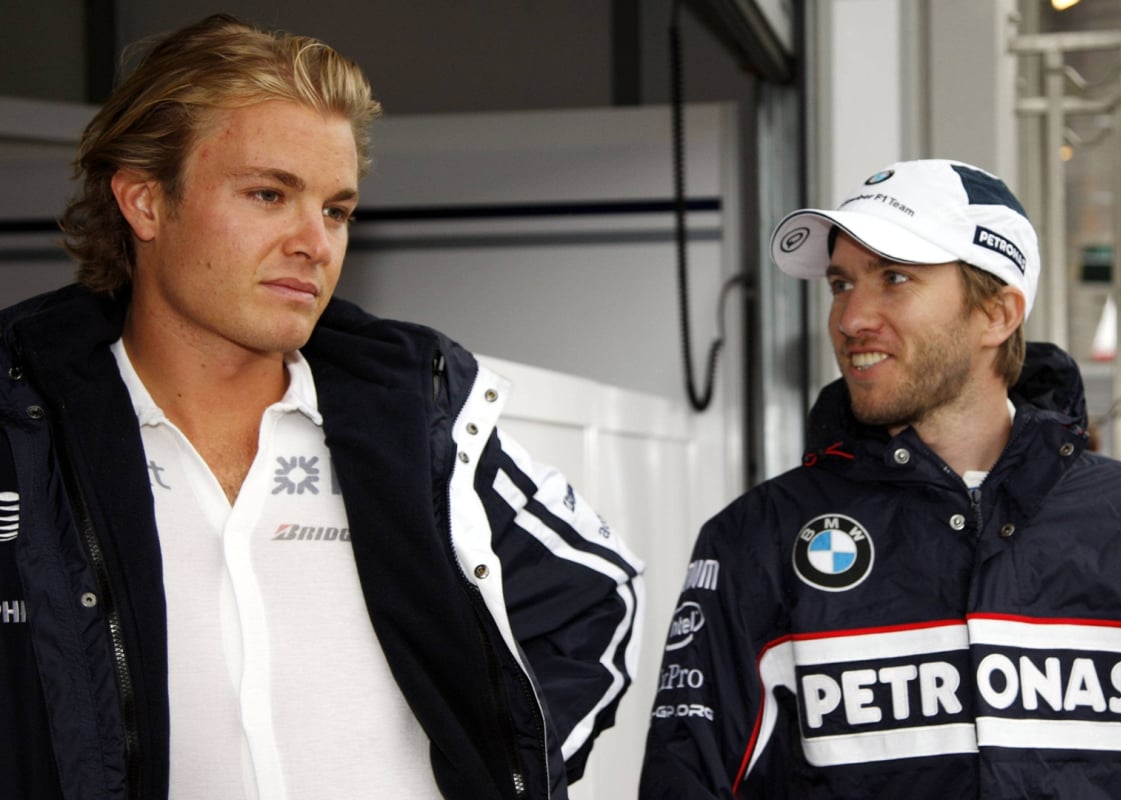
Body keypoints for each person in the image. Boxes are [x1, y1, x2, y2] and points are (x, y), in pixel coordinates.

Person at [0, 14, 644, 800]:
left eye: (336, 209)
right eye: (269, 194)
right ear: (144, 202)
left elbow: (598, 594)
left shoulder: (413, 421)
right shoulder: (25, 434)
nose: (316, 241)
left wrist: (499, 775)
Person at [638, 158, 1121, 798]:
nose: (851, 319)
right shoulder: (755, 538)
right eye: (841, 284)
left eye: (895, 278)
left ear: (998, 315)